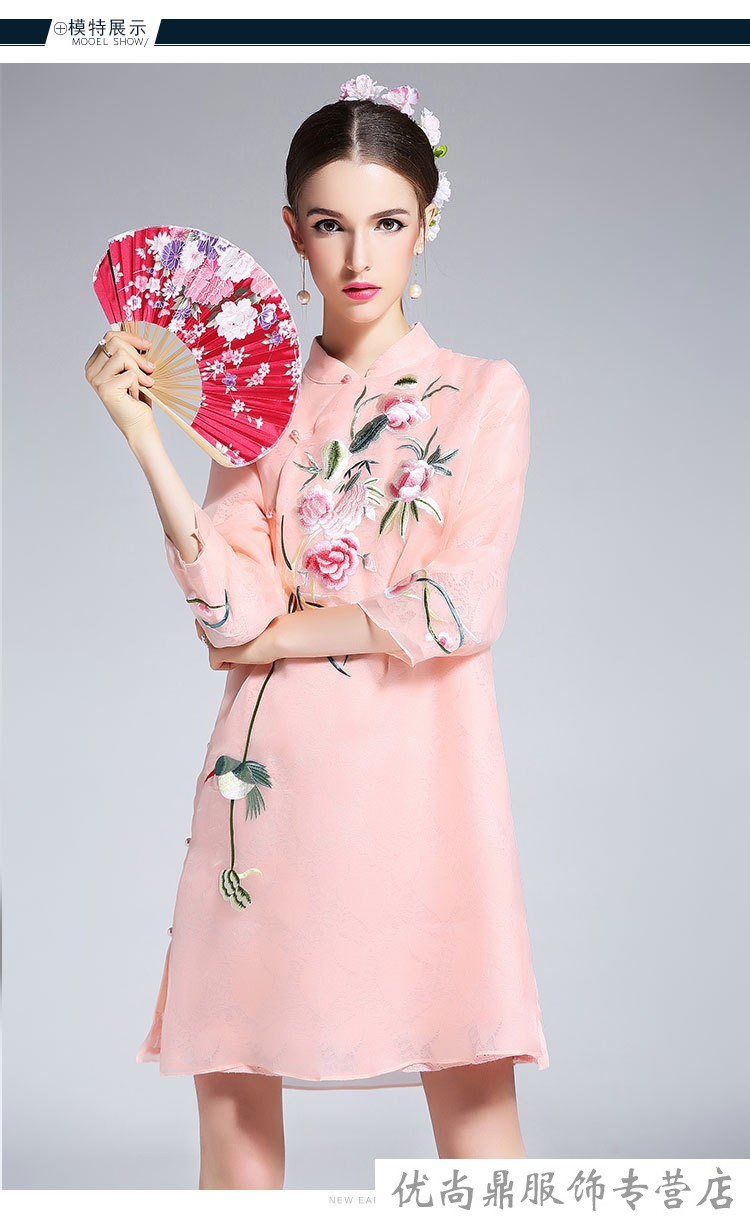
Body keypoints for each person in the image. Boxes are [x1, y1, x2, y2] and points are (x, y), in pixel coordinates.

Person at [84, 73, 549, 1191]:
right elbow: (229, 613)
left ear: (426, 225)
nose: (359, 254)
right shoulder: (256, 413)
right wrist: (147, 442)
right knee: (234, 1101)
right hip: (269, 786)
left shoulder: (485, 394)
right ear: (293, 231)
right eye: (332, 224)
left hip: (427, 787)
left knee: (475, 1096)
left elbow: (457, 607)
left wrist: (286, 636)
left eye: (387, 221)